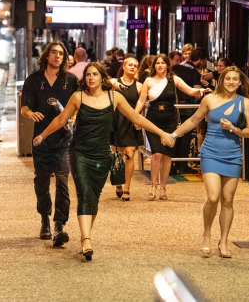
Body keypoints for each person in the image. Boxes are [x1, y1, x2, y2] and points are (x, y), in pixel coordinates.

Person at [33, 62, 174, 260]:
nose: (90, 78)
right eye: (88, 75)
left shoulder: (114, 97)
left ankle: (86, 236)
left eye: (95, 75)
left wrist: (161, 133)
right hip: (79, 152)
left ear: (102, 78)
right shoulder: (78, 97)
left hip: (101, 154)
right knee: (83, 193)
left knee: (94, 196)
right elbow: (61, 120)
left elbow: (136, 117)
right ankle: (86, 240)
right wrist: (43, 135)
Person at [171, 66, 249, 258]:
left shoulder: (246, 103)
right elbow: (194, 120)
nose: (231, 82)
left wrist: (233, 128)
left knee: (228, 200)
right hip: (210, 153)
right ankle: (207, 234)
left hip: (233, 155)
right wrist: (174, 135)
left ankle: (224, 241)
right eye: (228, 79)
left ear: (240, 82)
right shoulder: (209, 99)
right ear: (221, 80)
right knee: (213, 196)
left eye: (235, 79)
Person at [20, 42, 79, 247]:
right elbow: (24, 107)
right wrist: (30, 113)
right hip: (40, 139)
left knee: (63, 182)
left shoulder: (70, 80)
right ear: (47, 55)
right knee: (42, 181)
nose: (57, 56)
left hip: (64, 141)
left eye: (61, 54)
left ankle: (59, 224)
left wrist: (73, 119)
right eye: (54, 53)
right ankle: (44, 218)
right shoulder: (34, 80)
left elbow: (80, 103)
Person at [134, 54, 209, 201]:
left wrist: (201, 91)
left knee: (167, 155)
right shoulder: (148, 81)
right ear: (154, 65)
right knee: (156, 154)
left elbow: (189, 91)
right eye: (158, 63)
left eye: (163, 63)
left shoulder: (173, 79)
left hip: (170, 120)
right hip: (153, 122)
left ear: (167, 65)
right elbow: (141, 101)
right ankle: (153, 186)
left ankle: (163, 187)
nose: (160, 65)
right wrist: (134, 116)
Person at [172, 47, 208, 174]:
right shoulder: (195, 73)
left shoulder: (176, 68)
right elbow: (197, 94)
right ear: (201, 60)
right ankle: (182, 165)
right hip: (186, 108)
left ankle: (171, 165)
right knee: (185, 136)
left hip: (173, 107)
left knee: (174, 135)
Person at [112, 57, 143, 201]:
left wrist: (138, 119)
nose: (133, 67)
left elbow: (142, 104)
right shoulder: (114, 82)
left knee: (130, 153)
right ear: (124, 66)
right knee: (117, 155)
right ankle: (118, 183)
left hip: (130, 122)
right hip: (116, 121)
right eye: (130, 65)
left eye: (135, 66)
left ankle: (127, 188)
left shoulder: (139, 86)